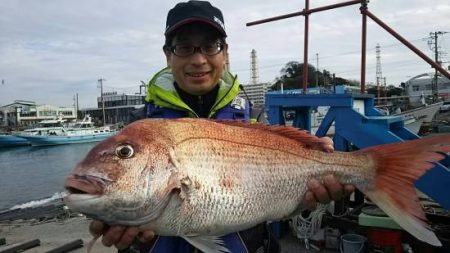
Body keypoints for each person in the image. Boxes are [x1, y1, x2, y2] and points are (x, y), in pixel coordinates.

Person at [89, 1, 355, 252]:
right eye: (184, 48)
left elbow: (280, 198)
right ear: (168, 55)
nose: (199, 60)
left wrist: (305, 198)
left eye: (210, 46)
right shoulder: (140, 128)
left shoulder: (254, 117)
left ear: (225, 53)